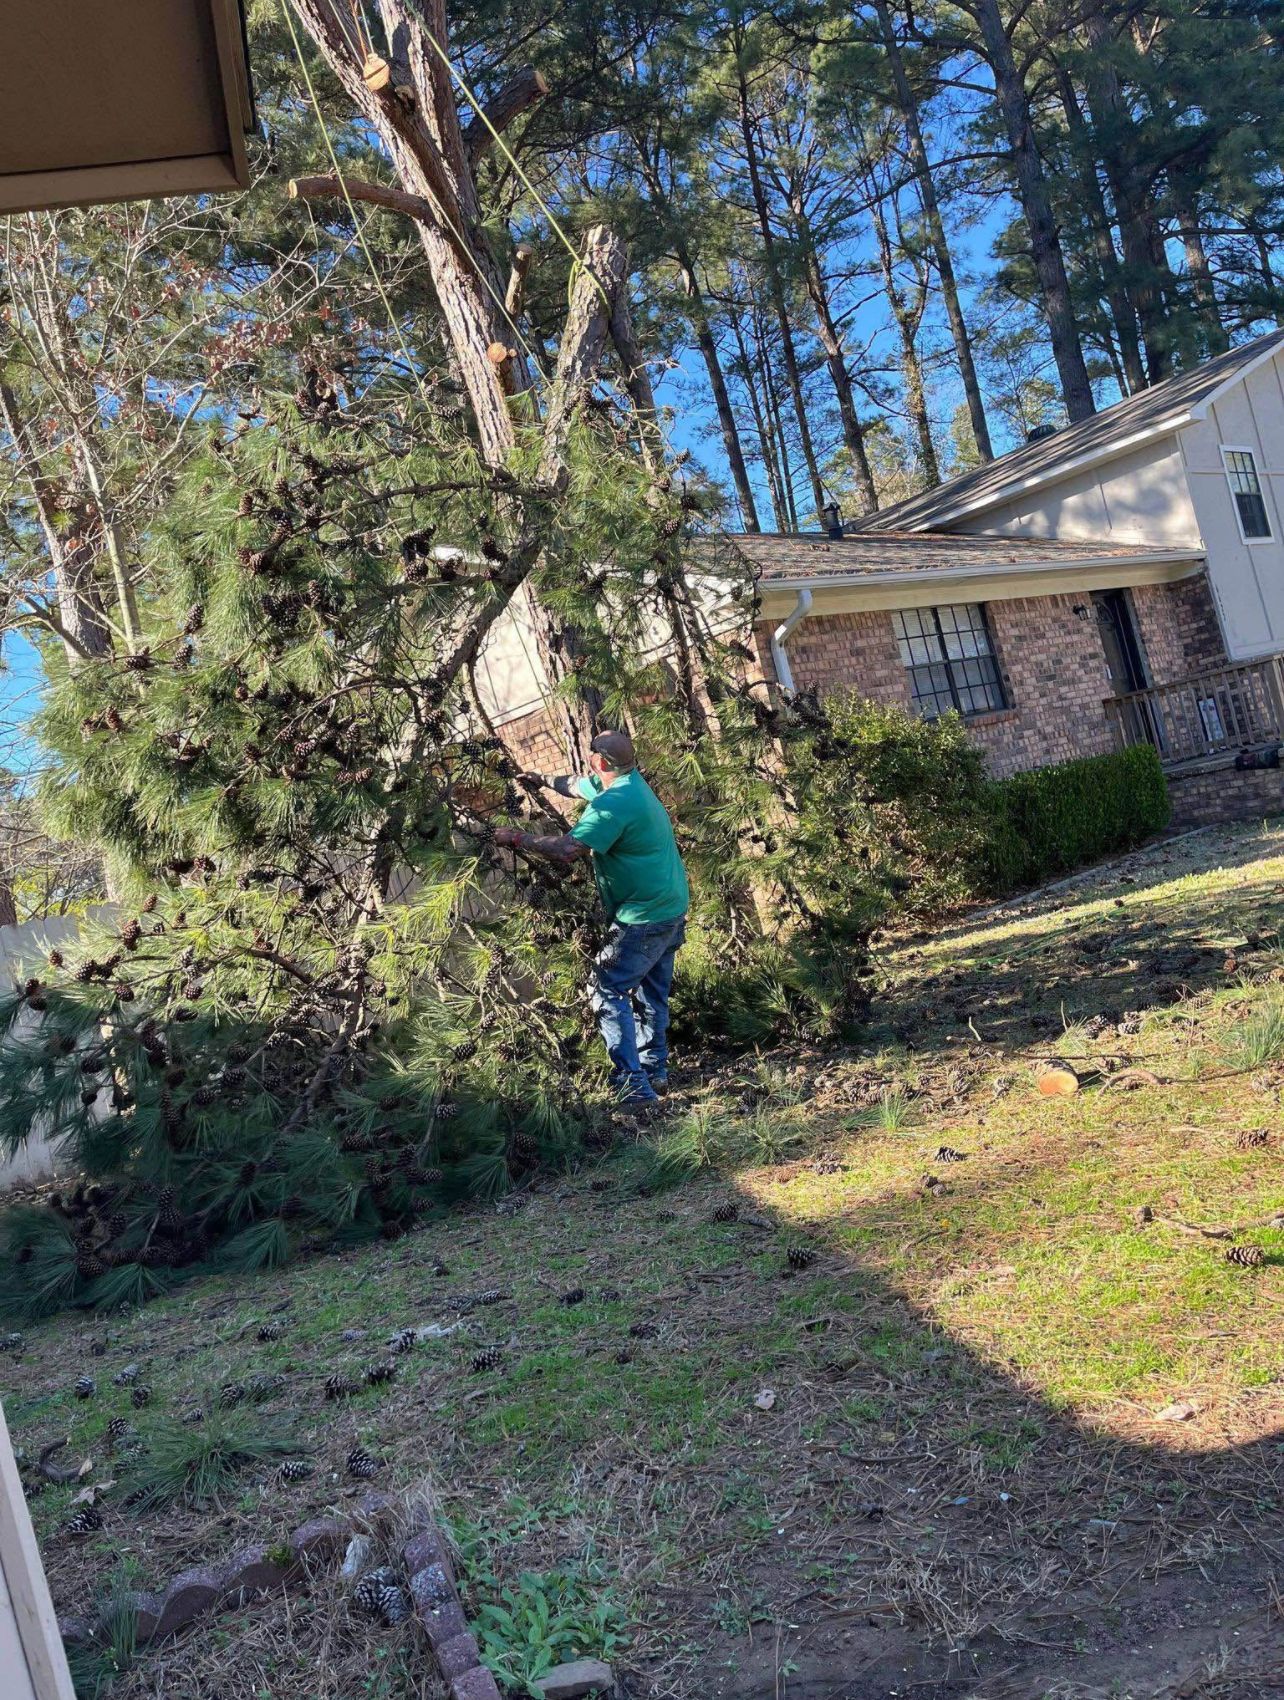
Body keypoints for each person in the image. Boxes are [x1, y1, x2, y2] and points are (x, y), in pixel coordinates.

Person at [494, 731, 688, 1111]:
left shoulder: (616, 803)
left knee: (606, 988)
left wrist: (515, 838)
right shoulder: (628, 783)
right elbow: (580, 785)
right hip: (669, 906)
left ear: (600, 762)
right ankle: (654, 1069)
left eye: (592, 761)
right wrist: (544, 780)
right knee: (652, 992)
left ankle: (633, 1086)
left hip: (642, 917)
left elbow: (568, 850)